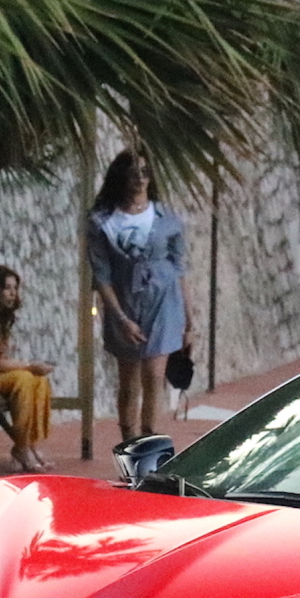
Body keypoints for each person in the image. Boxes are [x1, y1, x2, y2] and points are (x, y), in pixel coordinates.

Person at [87, 149, 192, 443]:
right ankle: (128, 440)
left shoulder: (165, 217)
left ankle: (148, 440)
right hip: (125, 301)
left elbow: (179, 267)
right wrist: (119, 317)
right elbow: (101, 275)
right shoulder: (102, 221)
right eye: (133, 173)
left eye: (145, 173)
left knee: (154, 375)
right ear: (121, 177)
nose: (139, 179)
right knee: (129, 380)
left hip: (164, 301)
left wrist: (189, 318)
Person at [0, 264, 55, 473]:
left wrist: (29, 368)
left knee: (39, 380)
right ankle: (23, 447)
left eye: (15, 288)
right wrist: (29, 365)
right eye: (7, 288)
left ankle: (29, 444)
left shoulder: (0, 317)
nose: (13, 294)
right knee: (24, 379)